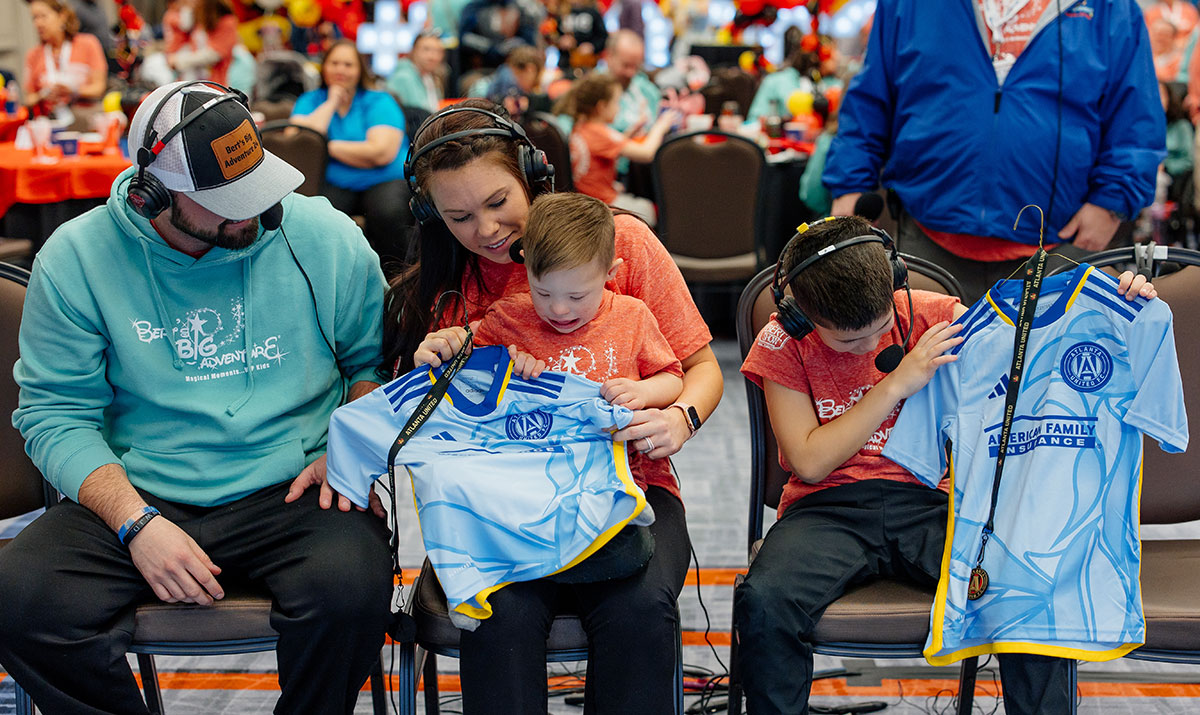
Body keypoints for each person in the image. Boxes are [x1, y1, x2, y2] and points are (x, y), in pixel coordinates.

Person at [0, 80, 392, 713]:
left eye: (256, 189)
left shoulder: (323, 234)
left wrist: (350, 446)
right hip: (143, 486)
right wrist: (135, 522)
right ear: (154, 189)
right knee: (20, 602)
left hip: (294, 485)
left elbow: (371, 365)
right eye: (225, 203)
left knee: (350, 594)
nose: (253, 214)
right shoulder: (76, 258)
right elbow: (54, 414)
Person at [733, 215, 1158, 715]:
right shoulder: (783, 339)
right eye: (847, 343)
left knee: (1028, 594)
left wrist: (1118, 301)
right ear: (801, 313)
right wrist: (895, 383)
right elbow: (808, 460)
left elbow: (1042, 340)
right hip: (826, 508)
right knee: (765, 603)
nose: (869, 349)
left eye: (878, 332)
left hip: (939, 502)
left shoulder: (942, 317)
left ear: (896, 286)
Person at [382, 98, 723, 713]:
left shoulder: (622, 245)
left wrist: (678, 417)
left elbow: (699, 369)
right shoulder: (444, 290)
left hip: (630, 490)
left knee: (639, 611)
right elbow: (432, 430)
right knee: (497, 616)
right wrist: (433, 368)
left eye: (496, 204)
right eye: (457, 216)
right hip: (500, 506)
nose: (484, 231)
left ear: (534, 177)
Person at [825, 0, 1164, 304]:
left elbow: (1137, 118)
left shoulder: (1111, 8)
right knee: (921, 371)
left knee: (1043, 373)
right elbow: (869, 99)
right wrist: (849, 185)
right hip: (925, 240)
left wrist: (1110, 203)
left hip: (1059, 249)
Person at [291, 39, 414, 273]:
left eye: (348, 64)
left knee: (387, 213)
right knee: (316, 217)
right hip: (338, 183)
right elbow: (301, 143)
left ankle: (399, 280)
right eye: (334, 63)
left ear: (359, 70)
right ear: (324, 67)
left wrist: (327, 146)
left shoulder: (378, 100)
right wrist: (332, 102)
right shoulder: (311, 101)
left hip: (384, 179)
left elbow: (380, 153)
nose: (340, 70)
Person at [562, 72, 679, 222]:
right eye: (616, 103)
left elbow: (610, 145)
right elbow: (647, 153)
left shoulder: (581, 127)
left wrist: (633, 130)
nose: (618, 109)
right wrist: (660, 127)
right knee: (649, 209)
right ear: (602, 107)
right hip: (601, 205)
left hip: (587, 201)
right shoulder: (601, 133)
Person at [22, 0, 108, 128]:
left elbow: (99, 87)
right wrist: (43, 94)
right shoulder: (34, 54)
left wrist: (72, 91)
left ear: (62, 16)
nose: (38, 23)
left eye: (43, 16)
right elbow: (28, 98)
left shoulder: (88, 44)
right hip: (49, 124)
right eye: (34, 18)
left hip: (84, 120)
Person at [163, 0, 240, 85]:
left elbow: (214, 54)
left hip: (215, 84)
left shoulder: (226, 21)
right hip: (192, 80)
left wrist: (179, 61)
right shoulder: (200, 21)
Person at [603, 29, 661, 135]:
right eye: (626, 65)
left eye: (636, 66)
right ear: (609, 57)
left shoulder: (646, 88)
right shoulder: (592, 90)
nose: (631, 73)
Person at [387, 31, 446, 113]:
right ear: (413, 51)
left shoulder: (431, 78)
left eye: (438, 51)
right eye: (426, 49)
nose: (432, 56)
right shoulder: (403, 78)